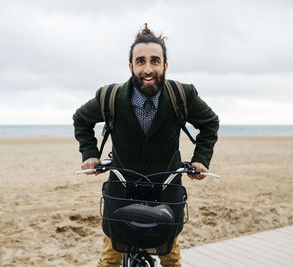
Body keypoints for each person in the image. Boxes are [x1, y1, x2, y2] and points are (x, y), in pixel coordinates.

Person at [73, 24, 219, 267]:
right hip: (122, 187)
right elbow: (81, 120)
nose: (148, 68)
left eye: (155, 61)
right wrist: (90, 153)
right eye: (140, 61)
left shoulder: (182, 95)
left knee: (171, 258)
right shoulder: (110, 97)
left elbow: (210, 123)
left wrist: (200, 159)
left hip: (166, 188)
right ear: (131, 66)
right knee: (110, 258)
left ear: (165, 65)